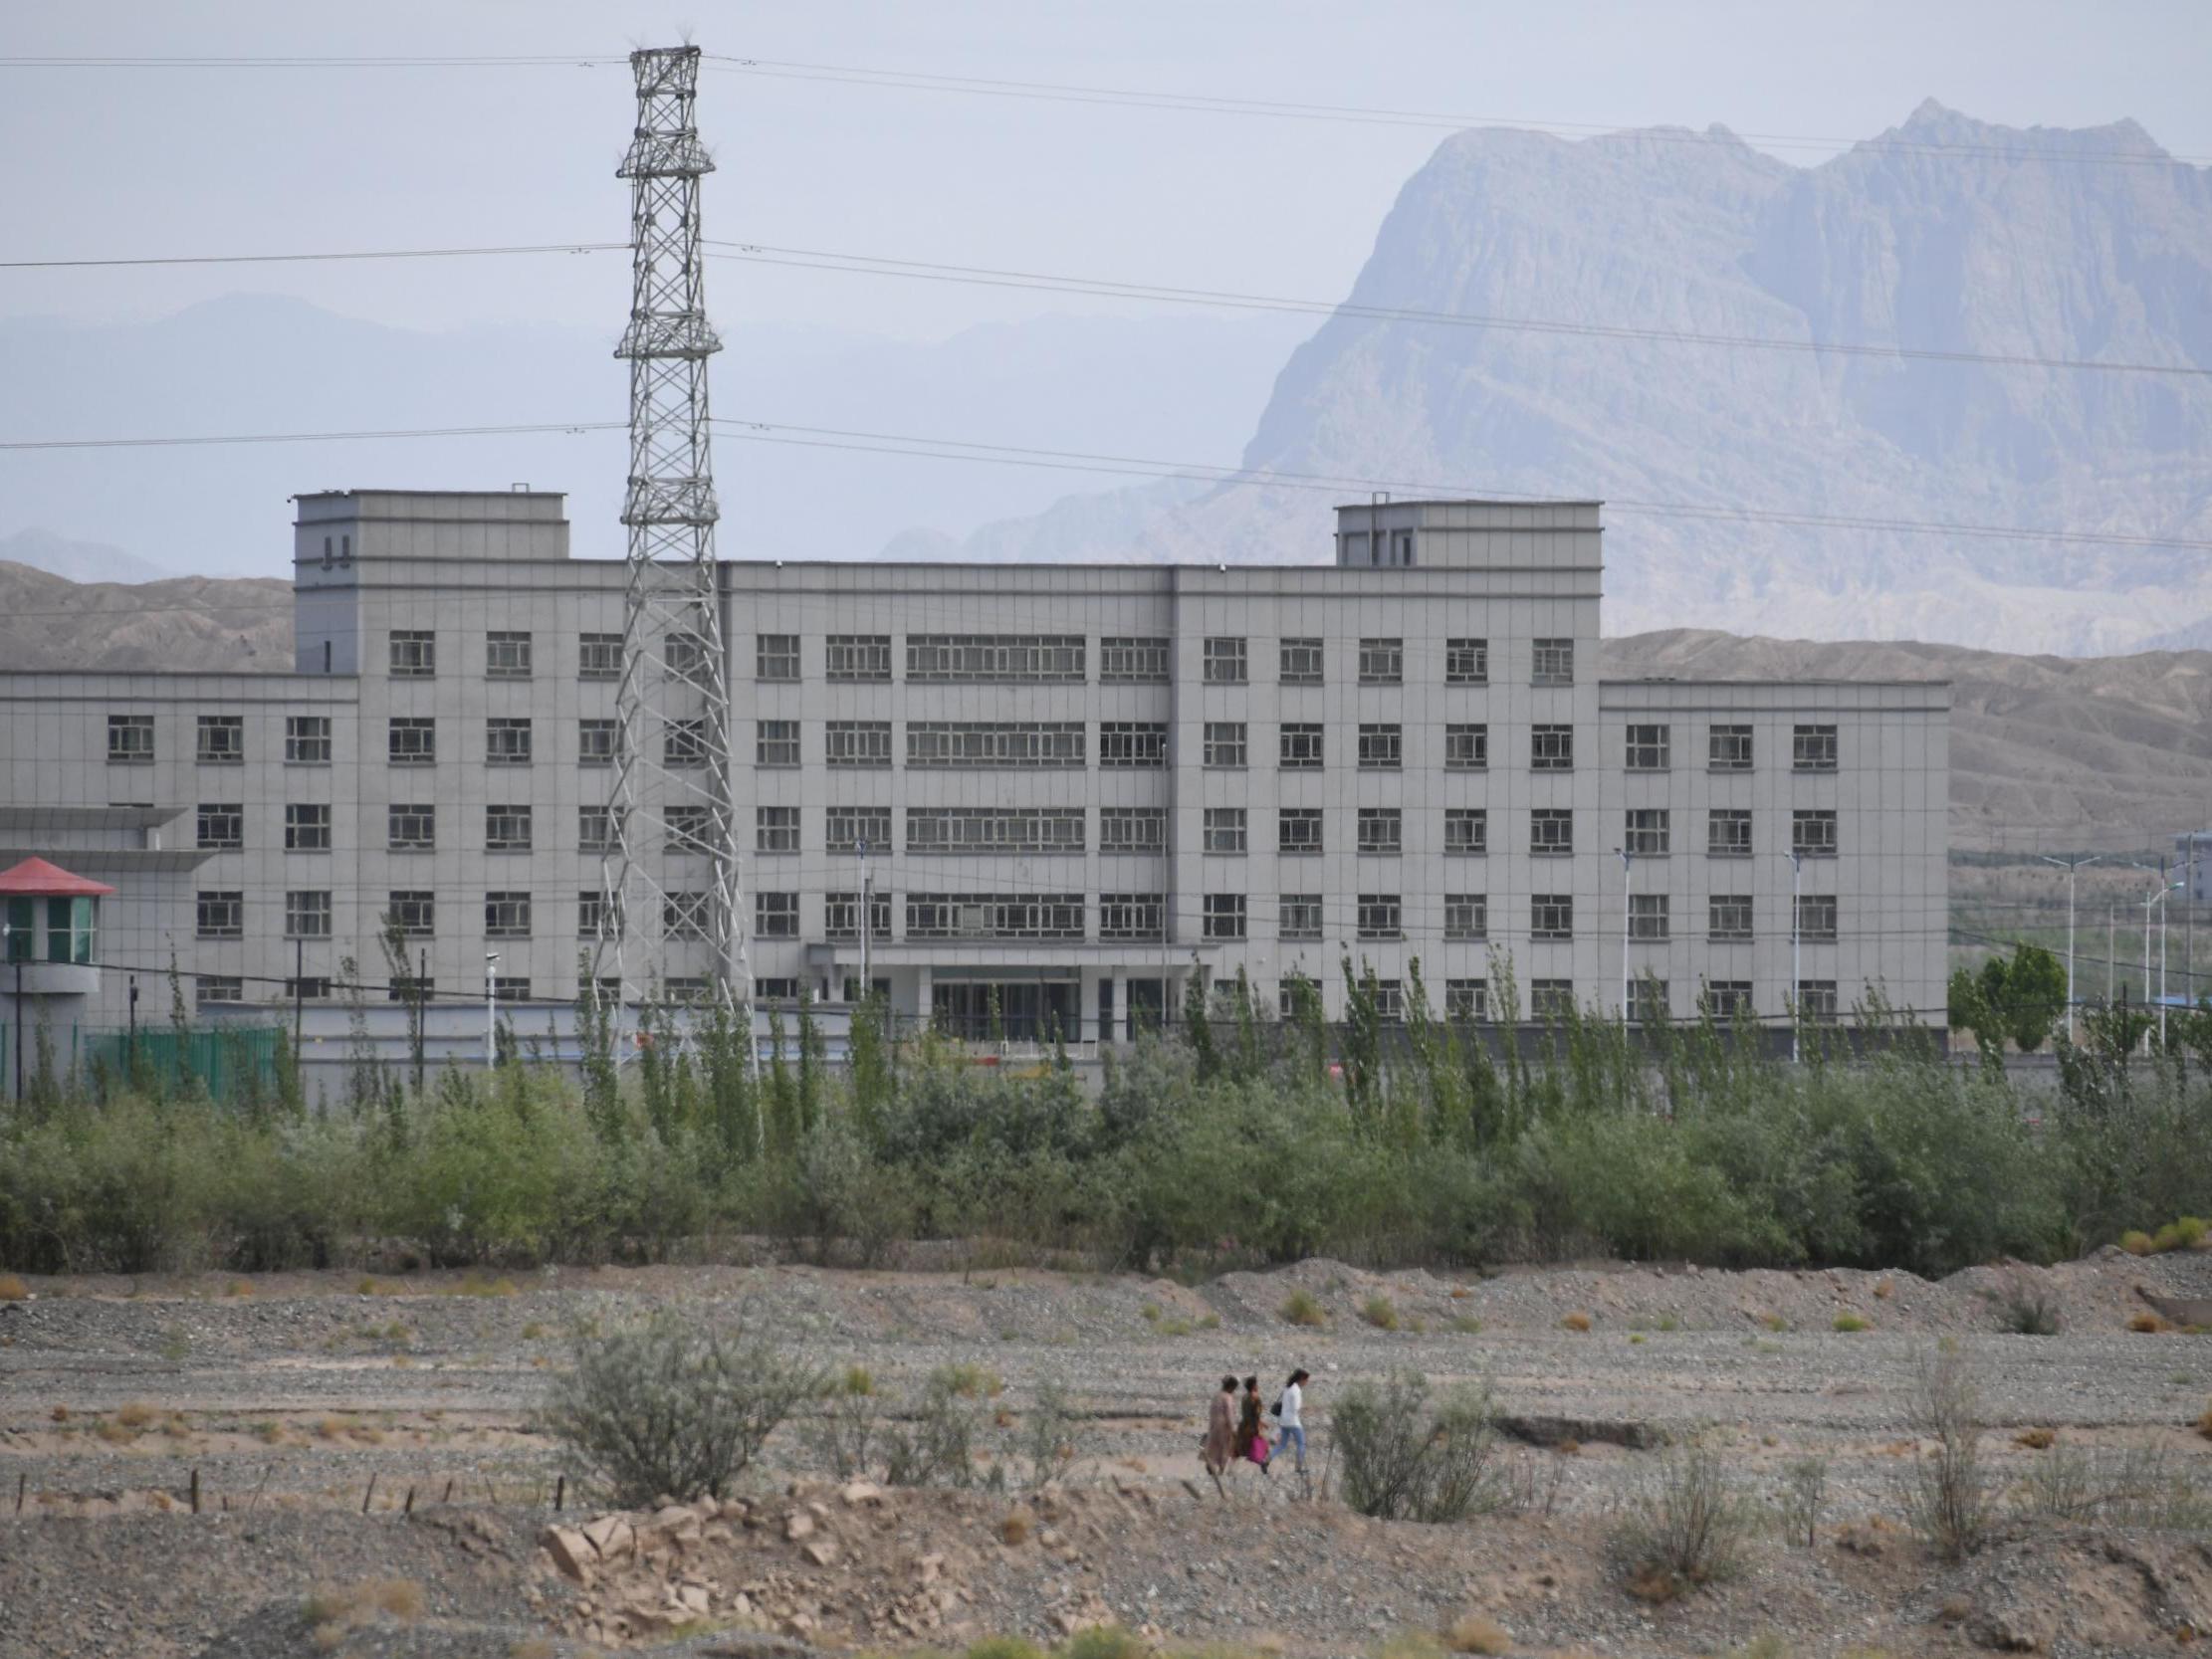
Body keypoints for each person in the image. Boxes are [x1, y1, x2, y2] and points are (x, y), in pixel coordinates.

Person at [1203, 1373, 1237, 1492]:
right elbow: (1229, 1415)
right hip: (1224, 1427)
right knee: (1225, 1447)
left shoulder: (1217, 1395)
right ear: (1231, 1386)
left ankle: (1210, 1465)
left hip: (1213, 1425)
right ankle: (1222, 1470)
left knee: (1213, 1446)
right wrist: (1233, 1429)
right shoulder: (1228, 1397)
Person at [1273, 1369, 1309, 1473]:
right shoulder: (1296, 1390)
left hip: (1283, 1420)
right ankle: (1298, 1467)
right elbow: (1296, 1408)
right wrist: (1303, 1407)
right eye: (1306, 1380)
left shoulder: (1287, 1387)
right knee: (1301, 1443)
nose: (1306, 1382)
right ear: (1301, 1379)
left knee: (1282, 1445)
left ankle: (1266, 1460)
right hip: (1293, 1421)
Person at [1239, 1375, 1270, 1472]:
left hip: (1244, 1425)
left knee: (1252, 1448)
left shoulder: (1244, 1397)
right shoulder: (1256, 1397)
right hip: (1253, 1426)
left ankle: (1263, 1463)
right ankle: (1263, 1464)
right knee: (1261, 1447)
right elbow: (1256, 1415)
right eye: (1256, 1384)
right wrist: (1261, 1425)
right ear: (1253, 1386)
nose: (1258, 1386)